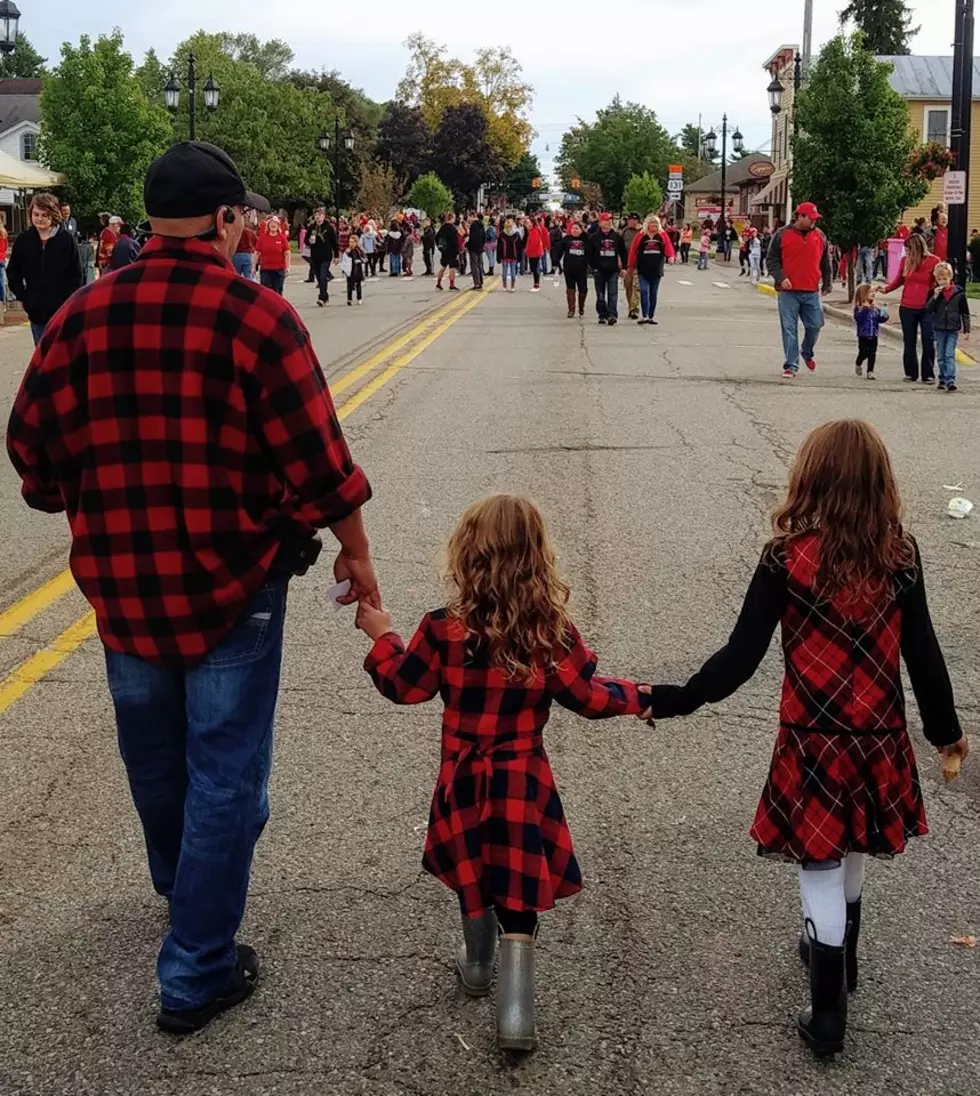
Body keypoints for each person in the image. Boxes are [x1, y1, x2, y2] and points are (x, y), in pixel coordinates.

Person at [5, 140, 377, 1035]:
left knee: (156, 756)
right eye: (240, 212)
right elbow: (322, 464)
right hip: (233, 581)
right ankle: (197, 966)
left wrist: (77, 499)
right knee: (226, 773)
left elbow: (29, 447)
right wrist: (357, 554)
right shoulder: (258, 318)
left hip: (123, 582)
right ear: (223, 220)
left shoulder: (82, 316)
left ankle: (185, 889)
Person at [644, 419, 966, 1060]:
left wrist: (676, 699)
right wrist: (946, 734)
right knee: (852, 844)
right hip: (877, 735)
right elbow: (923, 654)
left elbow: (741, 656)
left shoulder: (785, 558)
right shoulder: (900, 556)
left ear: (809, 478)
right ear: (881, 484)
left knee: (819, 856)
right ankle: (841, 958)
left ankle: (827, 1017)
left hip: (812, 738)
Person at [355, 494, 649, 1052]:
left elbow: (403, 686)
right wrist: (642, 698)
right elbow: (588, 696)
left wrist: (381, 635)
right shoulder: (551, 632)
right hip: (522, 779)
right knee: (516, 880)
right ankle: (515, 1015)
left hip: (462, 779)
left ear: (467, 555)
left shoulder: (443, 630)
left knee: (472, 865)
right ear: (538, 558)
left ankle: (475, 965)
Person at [766, 202, 832, 379]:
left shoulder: (820, 236)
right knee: (789, 328)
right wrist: (781, 278)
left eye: (815, 219)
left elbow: (825, 262)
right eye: (810, 218)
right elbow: (771, 260)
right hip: (788, 292)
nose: (813, 222)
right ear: (800, 216)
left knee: (816, 325)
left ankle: (807, 352)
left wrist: (827, 283)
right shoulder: (782, 235)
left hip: (811, 291)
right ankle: (791, 364)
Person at [7, 193, 84, 345]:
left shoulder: (66, 240)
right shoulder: (24, 240)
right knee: (41, 357)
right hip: (36, 312)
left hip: (61, 311)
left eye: (44, 215)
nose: (39, 219)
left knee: (61, 355)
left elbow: (76, 275)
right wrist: (23, 296)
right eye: (36, 214)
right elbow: (13, 272)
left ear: (53, 215)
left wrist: (68, 300)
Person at [882, 233, 940, 384]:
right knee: (909, 341)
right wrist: (886, 289)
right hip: (907, 306)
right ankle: (910, 373)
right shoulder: (905, 261)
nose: (906, 253)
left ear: (916, 248)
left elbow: (940, 280)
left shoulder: (934, 261)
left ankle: (928, 374)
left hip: (926, 306)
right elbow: (899, 280)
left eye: (908, 249)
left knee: (928, 339)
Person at [926, 261, 970, 393]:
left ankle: (951, 380)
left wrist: (966, 329)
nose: (942, 282)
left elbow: (965, 312)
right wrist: (934, 297)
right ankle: (942, 378)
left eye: (945, 278)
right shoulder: (935, 293)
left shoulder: (958, 294)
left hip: (952, 328)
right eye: (939, 279)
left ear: (950, 277)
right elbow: (928, 309)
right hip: (939, 328)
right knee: (941, 355)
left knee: (949, 354)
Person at [626, 215, 675, 325]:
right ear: (647, 224)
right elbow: (633, 251)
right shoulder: (640, 236)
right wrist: (630, 266)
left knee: (653, 294)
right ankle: (645, 315)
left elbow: (668, 247)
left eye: (656, 223)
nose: (654, 225)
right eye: (652, 223)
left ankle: (651, 316)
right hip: (643, 269)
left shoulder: (662, 235)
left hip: (656, 270)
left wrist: (671, 257)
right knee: (644, 291)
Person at [586, 212, 627, 326]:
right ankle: (602, 314)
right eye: (605, 221)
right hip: (599, 270)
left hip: (613, 269)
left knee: (613, 293)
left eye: (609, 221)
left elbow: (623, 253)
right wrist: (593, 266)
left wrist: (624, 267)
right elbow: (589, 253)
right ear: (600, 223)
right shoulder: (594, 237)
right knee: (600, 294)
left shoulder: (617, 237)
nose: (607, 223)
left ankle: (612, 314)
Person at [852, 283, 883, 380]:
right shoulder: (859, 308)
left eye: (873, 292)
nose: (873, 294)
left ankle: (870, 371)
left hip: (873, 333)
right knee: (863, 351)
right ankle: (858, 362)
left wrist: (883, 312)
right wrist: (865, 309)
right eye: (870, 292)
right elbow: (858, 318)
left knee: (872, 353)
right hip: (863, 334)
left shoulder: (875, 307)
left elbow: (881, 319)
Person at [255, 214, 291, 295]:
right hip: (266, 270)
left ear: (278, 225)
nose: (273, 225)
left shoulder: (282, 238)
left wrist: (287, 267)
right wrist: (253, 267)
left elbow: (287, 253)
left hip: (279, 270)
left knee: (277, 292)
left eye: (275, 224)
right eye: (271, 224)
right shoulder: (263, 238)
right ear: (268, 226)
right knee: (266, 293)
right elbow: (257, 253)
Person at [561, 220, 589, 317]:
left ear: (581, 229)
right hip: (569, 268)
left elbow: (592, 252)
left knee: (583, 289)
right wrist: (555, 262)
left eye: (577, 228)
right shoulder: (566, 239)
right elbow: (559, 250)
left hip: (582, 269)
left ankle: (581, 307)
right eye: (573, 228)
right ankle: (571, 309)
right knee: (570, 288)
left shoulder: (586, 239)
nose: (574, 230)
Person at [620, 213, 642, 320]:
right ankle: (630, 307)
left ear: (637, 221)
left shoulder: (642, 231)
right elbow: (619, 246)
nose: (629, 222)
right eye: (628, 220)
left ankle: (634, 309)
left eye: (631, 220)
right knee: (628, 286)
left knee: (636, 286)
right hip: (627, 264)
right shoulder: (625, 231)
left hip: (639, 264)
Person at [435, 213, 460, 291]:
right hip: (452, 251)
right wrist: (457, 251)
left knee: (443, 266)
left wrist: (440, 247)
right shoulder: (453, 229)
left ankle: (438, 283)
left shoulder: (443, 227)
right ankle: (451, 285)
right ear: (452, 218)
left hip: (444, 250)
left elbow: (436, 237)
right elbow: (455, 241)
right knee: (452, 268)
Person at [497, 217, 521, 293]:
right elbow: (519, 246)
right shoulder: (516, 235)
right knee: (513, 271)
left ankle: (504, 286)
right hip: (513, 255)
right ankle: (512, 286)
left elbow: (499, 247)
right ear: (513, 225)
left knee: (504, 271)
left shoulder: (501, 234)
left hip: (504, 256)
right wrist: (519, 256)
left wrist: (498, 256)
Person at [522, 216, 546, 292]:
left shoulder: (534, 231)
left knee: (535, 269)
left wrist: (527, 250)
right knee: (534, 269)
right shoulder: (533, 230)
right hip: (534, 252)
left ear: (532, 223)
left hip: (534, 253)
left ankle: (536, 285)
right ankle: (536, 284)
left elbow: (533, 243)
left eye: (528, 223)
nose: (527, 225)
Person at [342, 233, 366, 305]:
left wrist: (360, 261)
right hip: (350, 270)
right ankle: (349, 299)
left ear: (356, 242)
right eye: (349, 242)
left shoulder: (359, 250)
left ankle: (359, 298)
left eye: (352, 242)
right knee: (349, 285)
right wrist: (344, 269)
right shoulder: (347, 251)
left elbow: (365, 258)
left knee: (358, 284)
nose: (351, 244)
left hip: (357, 270)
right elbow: (344, 260)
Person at [467, 213, 486, 290]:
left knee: (474, 266)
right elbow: (484, 237)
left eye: (469, 217)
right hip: (480, 247)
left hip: (473, 248)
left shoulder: (474, 226)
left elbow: (472, 238)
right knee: (479, 265)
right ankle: (480, 281)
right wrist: (482, 245)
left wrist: (467, 244)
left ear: (473, 217)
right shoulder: (481, 225)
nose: (468, 219)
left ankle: (477, 283)